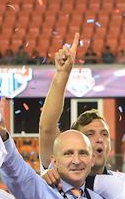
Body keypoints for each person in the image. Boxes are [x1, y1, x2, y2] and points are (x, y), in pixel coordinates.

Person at [37, 34, 114, 177]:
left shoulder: (124, 184)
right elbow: (47, 127)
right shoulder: (58, 175)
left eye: (104, 134)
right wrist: (62, 74)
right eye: (90, 134)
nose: (99, 139)